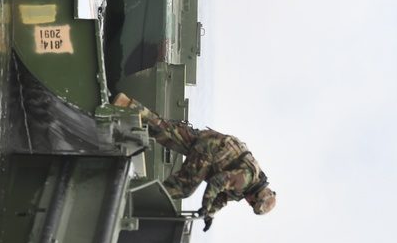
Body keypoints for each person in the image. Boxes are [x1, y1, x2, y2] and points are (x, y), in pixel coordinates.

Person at [113, 92, 276, 230]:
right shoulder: (245, 180)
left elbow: (223, 197)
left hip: (209, 144)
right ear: (256, 196)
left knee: (166, 133)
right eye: (252, 204)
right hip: (208, 152)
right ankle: (132, 196)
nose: (249, 204)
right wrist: (205, 205)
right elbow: (216, 182)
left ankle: (126, 105)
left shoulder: (249, 184)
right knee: (182, 188)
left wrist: (210, 214)